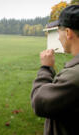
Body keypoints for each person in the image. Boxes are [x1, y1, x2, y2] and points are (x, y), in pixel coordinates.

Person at [31, 5, 79, 135]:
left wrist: (46, 68)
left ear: (68, 33)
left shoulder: (74, 77)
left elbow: (39, 102)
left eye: (59, 32)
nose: (58, 37)